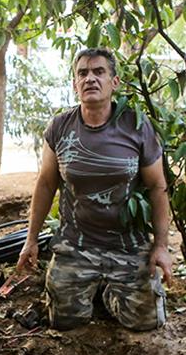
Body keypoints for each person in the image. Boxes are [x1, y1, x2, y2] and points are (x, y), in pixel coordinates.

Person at [15, 48, 174, 331]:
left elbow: (157, 186)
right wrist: (31, 240)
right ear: (75, 84)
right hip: (77, 243)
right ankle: (91, 286)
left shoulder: (136, 127)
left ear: (114, 82)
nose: (90, 79)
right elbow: (46, 183)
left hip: (127, 244)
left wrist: (161, 246)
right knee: (64, 322)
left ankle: (107, 292)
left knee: (147, 322)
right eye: (82, 73)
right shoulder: (60, 127)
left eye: (99, 72)